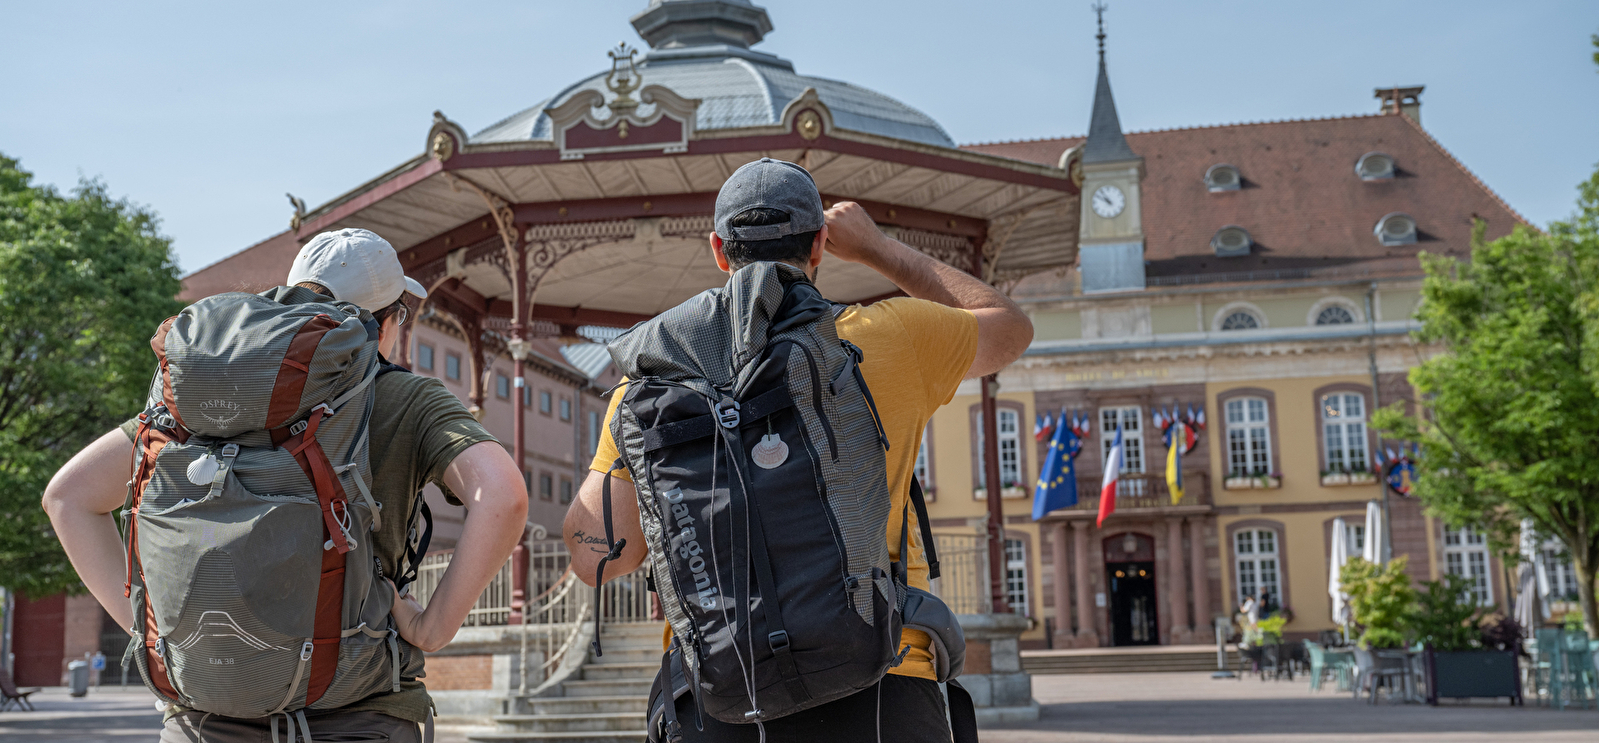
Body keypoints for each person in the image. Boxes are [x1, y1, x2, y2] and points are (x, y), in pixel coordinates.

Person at [563, 158, 1033, 742]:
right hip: (885, 683)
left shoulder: (651, 385)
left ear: (718, 249)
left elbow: (597, 559)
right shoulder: (896, 337)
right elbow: (1010, 327)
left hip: (722, 694)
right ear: (819, 245)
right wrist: (879, 249)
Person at [43, 228, 529, 743]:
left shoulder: (205, 393)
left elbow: (67, 497)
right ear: (388, 325)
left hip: (205, 720)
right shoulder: (407, 398)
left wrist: (153, 628)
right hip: (357, 715)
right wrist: (433, 627)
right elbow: (503, 495)